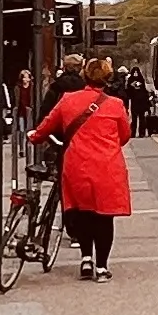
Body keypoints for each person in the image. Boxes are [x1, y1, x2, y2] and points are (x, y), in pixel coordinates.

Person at [32, 55, 136, 280]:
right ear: (107, 78)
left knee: (83, 213)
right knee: (104, 218)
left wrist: (34, 137)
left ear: (84, 75)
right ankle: (101, 267)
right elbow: (125, 135)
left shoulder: (68, 100)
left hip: (77, 164)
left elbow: (45, 126)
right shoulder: (116, 105)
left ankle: (86, 260)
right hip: (107, 167)